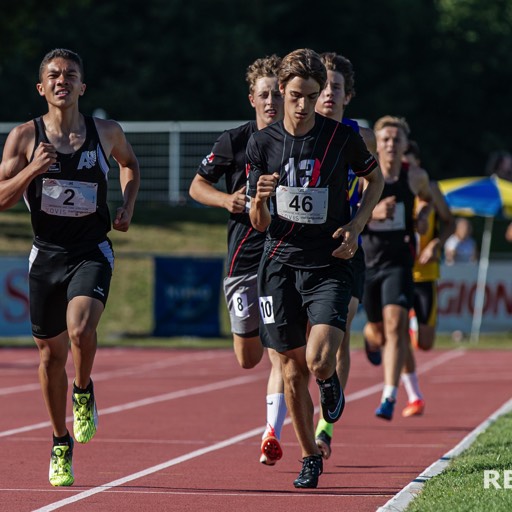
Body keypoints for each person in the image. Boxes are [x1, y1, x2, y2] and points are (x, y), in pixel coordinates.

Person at [0, 48, 140, 486]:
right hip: (47, 255)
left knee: (80, 329)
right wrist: (32, 171)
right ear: (42, 88)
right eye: (54, 75)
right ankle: (61, 441)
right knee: (49, 355)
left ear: (83, 87)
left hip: (92, 249)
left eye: (71, 75)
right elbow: (1, 197)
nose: (63, 81)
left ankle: (83, 390)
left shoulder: (107, 132)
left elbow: (130, 166)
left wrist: (127, 205)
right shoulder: (24, 138)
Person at [247, 48, 383, 488]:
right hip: (279, 265)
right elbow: (258, 222)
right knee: (289, 371)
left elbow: (374, 177)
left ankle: (330, 383)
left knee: (320, 359)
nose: (303, 106)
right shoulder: (262, 143)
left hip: (328, 262)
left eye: (311, 95)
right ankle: (309, 456)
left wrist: (357, 223)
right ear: (281, 93)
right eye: (295, 96)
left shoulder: (340, 137)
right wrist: (261, 200)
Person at [189, 55, 287, 466]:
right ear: (252, 99)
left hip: (285, 257)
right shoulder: (235, 140)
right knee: (249, 357)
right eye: (263, 95)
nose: (270, 102)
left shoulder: (302, 143)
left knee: (283, 352)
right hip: (243, 260)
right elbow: (196, 186)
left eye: (276, 94)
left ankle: (272, 431)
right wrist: (226, 199)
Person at [312, 51, 377, 459]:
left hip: (346, 246)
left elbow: (379, 179)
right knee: (304, 345)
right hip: (302, 248)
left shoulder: (360, 135)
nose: (330, 93)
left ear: (347, 95)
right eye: (324, 87)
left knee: (341, 329)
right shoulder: (299, 131)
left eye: (337, 87)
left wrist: (365, 217)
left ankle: (325, 425)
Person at [361, 116, 432, 421]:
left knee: (396, 326)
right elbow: (346, 215)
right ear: (377, 143)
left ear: (405, 144)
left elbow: (427, 201)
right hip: (367, 263)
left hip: (399, 263)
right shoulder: (364, 175)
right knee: (378, 331)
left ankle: (389, 395)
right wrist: (373, 212)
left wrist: (424, 217)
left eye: (396, 139)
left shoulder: (415, 176)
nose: (391, 144)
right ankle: (369, 336)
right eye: (385, 139)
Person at [400, 141, 455, 417]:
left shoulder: (431, 189)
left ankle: (411, 325)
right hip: (397, 271)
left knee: (426, 343)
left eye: (410, 164)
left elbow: (450, 221)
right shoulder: (392, 186)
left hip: (426, 273)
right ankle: (413, 396)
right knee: (395, 335)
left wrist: (436, 244)